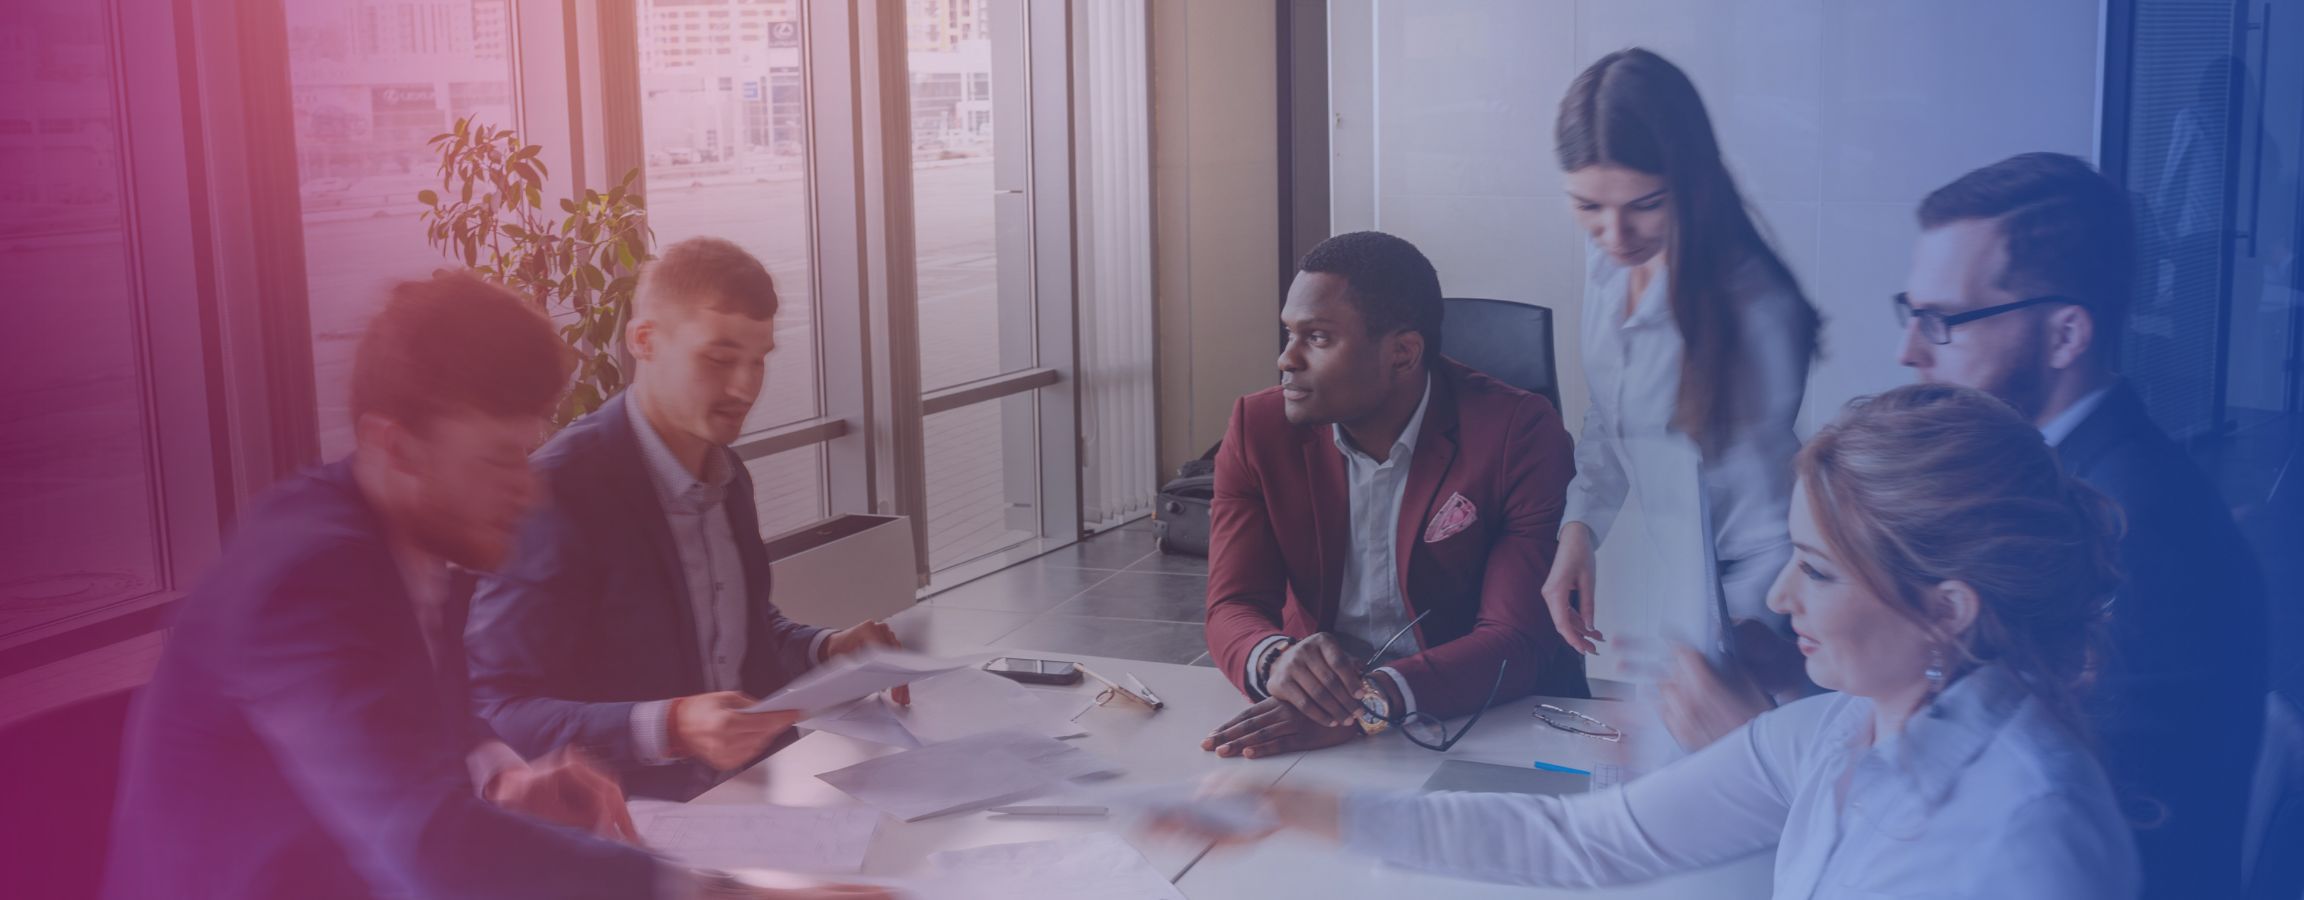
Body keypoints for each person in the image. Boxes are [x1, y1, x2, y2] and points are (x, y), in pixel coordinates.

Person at [1157, 384, 2141, 900]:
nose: (1784, 595)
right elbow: (1584, 840)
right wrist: (1297, 813)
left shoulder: (2033, 840)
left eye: (1824, 571)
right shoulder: (1846, 731)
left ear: (1953, 610)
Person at [103, 272, 884, 899]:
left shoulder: (402, 538)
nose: (531, 490)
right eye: (498, 461)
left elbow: (430, 722)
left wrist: (501, 773)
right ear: (396, 447)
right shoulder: (308, 574)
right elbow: (427, 850)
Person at [1896, 151, 2268, 898]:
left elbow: (2092, 808)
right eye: (1911, 313)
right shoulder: (2055, 481)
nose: (1908, 353)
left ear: (2066, 336)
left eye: (1943, 322)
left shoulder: (2138, 529)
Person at [467, 237, 908, 801]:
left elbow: (732, 635)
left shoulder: (728, 475)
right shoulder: (558, 491)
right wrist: (670, 725)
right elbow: (500, 710)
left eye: (758, 361)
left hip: (757, 797)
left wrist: (826, 648)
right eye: (720, 359)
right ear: (644, 341)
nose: (745, 388)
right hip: (637, 828)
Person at [1199, 230, 1586, 760]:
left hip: (1475, 717)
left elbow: (1515, 638)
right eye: (1289, 334)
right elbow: (1233, 604)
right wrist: (1276, 661)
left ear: (1403, 354)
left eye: (1317, 338)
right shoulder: (1258, 429)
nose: (1286, 360)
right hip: (1319, 719)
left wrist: (1371, 704)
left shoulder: (1518, 433)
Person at [1537, 48, 1822, 742]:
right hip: (1691, 595)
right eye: (1588, 207)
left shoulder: (1753, 307)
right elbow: (1612, 416)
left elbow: (1762, 527)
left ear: (1688, 186)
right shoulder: (1611, 257)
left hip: (1759, 610)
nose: (1613, 234)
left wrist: (1721, 656)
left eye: (1644, 205)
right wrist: (1580, 531)